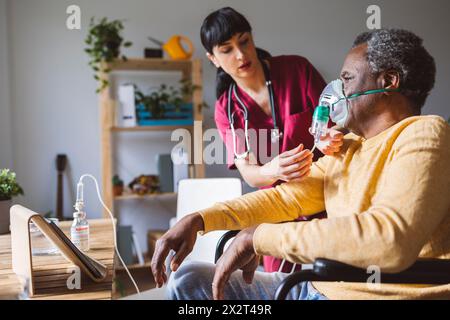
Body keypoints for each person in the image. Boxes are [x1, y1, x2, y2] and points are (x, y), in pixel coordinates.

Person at [151, 28, 450, 300]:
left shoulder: (423, 134)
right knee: (189, 282)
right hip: (316, 286)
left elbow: (390, 240)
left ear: (388, 81)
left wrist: (258, 238)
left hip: (367, 294)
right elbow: (284, 198)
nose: (337, 89)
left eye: (346, 78)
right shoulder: (347, 148)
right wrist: (200, 219)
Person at [200, 7, 344, 273]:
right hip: (277, 213)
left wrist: (330, 138)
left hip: (329, 198)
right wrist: (272, 170)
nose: (241, 55)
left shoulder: (298, 70)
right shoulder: (227, 108)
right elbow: (249, 173)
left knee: (334, 280)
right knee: (281, 285)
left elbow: (337, 126)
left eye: (244, 41)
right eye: (227, 49)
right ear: (214, 58)